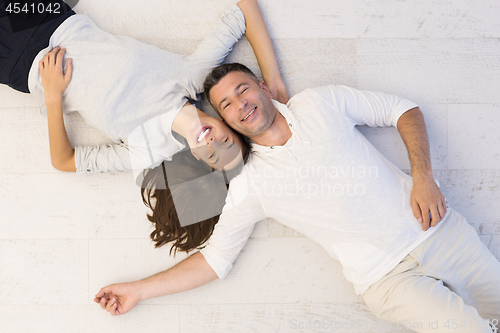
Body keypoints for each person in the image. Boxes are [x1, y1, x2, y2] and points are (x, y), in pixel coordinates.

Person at [95, 63, 500, 331]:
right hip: (386, 279)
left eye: (243, 90)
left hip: (438, 230)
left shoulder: (319, 103)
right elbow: (214, 261)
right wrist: (136, 290)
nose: (241, 105)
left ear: (263, 87)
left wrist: (423, 178)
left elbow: (402, 110)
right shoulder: (248, 185)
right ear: (224, 119)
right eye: (227, 104)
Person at [0, 0, 288, 179]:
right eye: (226, 143)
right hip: (48, 19)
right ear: (227, 124)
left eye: (212, 156)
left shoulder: (149, 151)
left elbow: (64, 162)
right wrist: (275, 85)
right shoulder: (192, 77)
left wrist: (53, 97)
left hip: (19, 67)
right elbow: (245, 9)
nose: (212, 144)